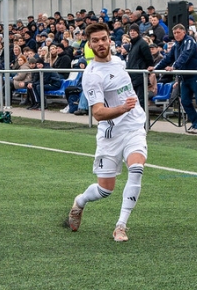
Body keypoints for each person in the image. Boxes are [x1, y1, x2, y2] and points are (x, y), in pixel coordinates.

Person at [67, 23, 147, 242]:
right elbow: (99, 114)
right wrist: (122, 108)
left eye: (104, 39)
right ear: (89, 44)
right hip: (110, 135)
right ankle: (80, 202)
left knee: (137, 168)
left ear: (110, 39)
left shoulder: (120, 62)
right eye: (95, 41)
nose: (100, 44)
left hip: (133, 127)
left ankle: (121, 226)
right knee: (105, 191)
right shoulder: (92, 75)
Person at [150, 24, 197, 134]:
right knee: (185, 101)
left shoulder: (189, 41)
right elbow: (167, 58)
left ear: (184, 32)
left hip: (195, 75)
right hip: (184, 77)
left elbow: (185, 55)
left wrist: (174, 66)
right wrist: (155, 68)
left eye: (178, 32)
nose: (176, 35)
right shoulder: (176, 45)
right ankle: (195, 122)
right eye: (174, 33)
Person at [127, 24, 155, 109]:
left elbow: (149, 58)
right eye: (131, 31)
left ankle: (143, 120)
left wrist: (149, 66)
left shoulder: (142, 44)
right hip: (133, 75)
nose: (132, 32)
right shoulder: (132, 44)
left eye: (134, 31)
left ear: (138, 32)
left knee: (140, 99)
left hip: (139, 75)